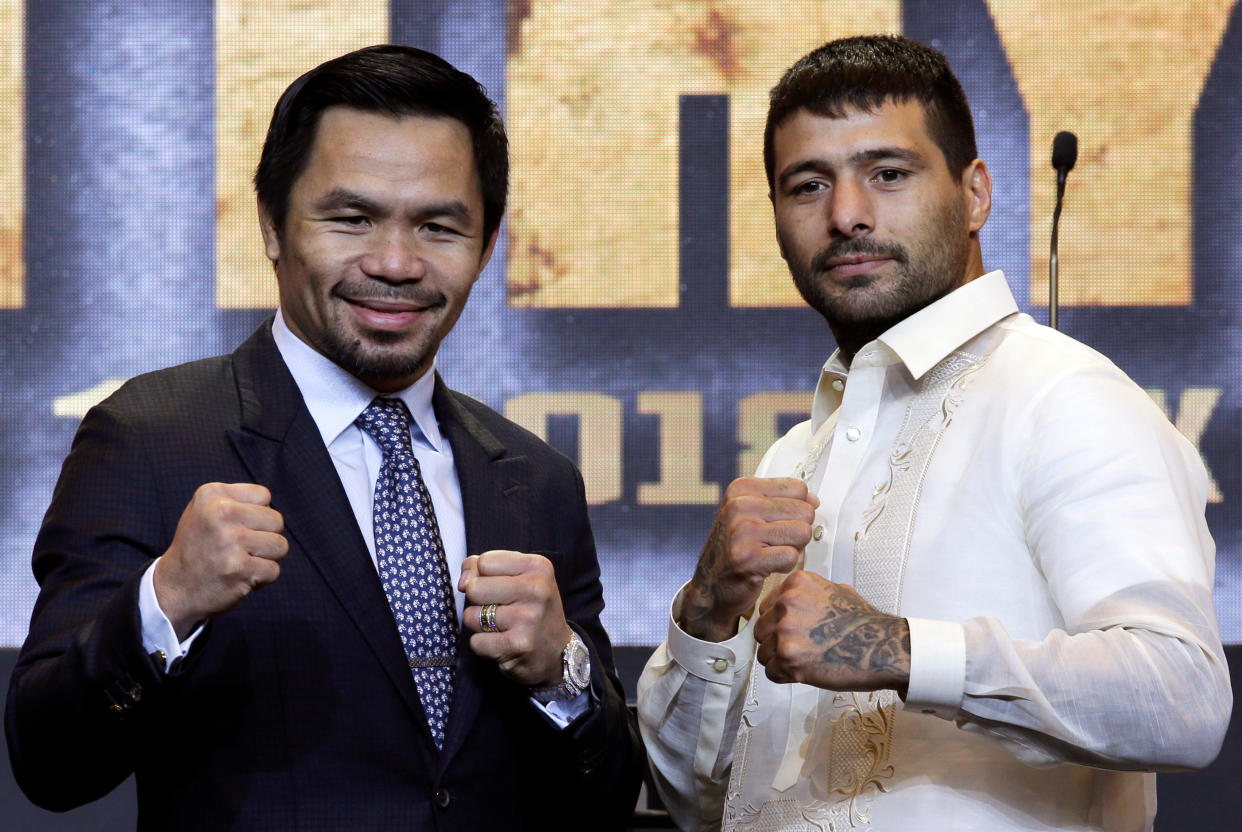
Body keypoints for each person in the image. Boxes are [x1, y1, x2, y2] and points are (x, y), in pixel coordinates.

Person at [6, 44, 642, 831]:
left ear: (486, 243)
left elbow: (606, 800)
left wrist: (561, 673)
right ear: (272, 224)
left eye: (439, 226)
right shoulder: (153, 435)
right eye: (352, 218)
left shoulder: (536, 477)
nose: (396, 263)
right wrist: (164, 602)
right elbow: (47, 762)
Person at [637, 34, 1231, 831]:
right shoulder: (793, 455)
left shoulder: (1065, 396)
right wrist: (706, 609)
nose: (847, 215)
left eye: (888, 174)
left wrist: (899, 649)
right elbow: (699, 800)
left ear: (976, 193)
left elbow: (1183, 698)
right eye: (807, 185)